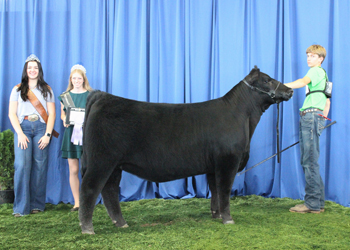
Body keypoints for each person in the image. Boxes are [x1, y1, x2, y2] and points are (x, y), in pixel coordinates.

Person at [285, 45, 331, 214]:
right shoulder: (323, 75)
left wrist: (281, 86)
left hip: (310, 117)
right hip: (316, 117)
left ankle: (311, 204)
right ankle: (318, 202)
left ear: (321, 59)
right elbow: (327, 101)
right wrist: (322, 120)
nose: (309, 58)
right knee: (312, 160)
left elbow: (302, 82)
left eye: (313, 56)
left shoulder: (314, 72)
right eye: (308, 55)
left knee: (309, 161)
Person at [8, 54, 56, 217]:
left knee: (40, 167)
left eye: (35, 67)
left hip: (42, 129)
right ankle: (21, 208)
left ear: (39, 70)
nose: (32, 70)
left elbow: (52, 115)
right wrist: (20, 133)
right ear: (26, 70)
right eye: (30, 68)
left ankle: (37, 205)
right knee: (21, 166)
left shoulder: (47, 90)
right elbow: (11, 114)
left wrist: (48, 135)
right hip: (24, 129)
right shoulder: (17, 89)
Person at [58, 64, 92, 212]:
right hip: (71, 136)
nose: (76, 80)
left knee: (88, 170)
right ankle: (77, 202)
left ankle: (88, 201)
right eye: (74, 78)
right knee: (73, 169)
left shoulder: (90, 95)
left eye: (79, 78)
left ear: (83, 79)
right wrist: (65, 120)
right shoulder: (65, 96)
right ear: (70, 79)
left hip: (88, 136)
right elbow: (62, 114)